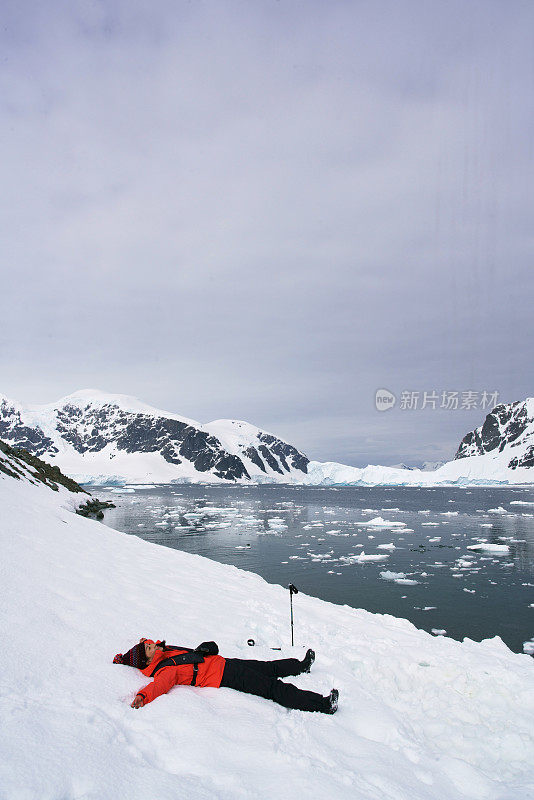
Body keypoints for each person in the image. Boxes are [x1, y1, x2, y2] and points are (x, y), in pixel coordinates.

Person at [113, 638, 339, 714]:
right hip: (226, 675)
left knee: (267, 667)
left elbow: (146, 642)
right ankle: (323, 705)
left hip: (224, 663)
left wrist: (123, 657)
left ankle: (300, 666)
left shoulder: (163, 653)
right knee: (272, 688)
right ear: (149, 661)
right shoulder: (165, 671)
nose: (153, 645)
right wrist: (143, 696)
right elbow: (159, 686)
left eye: (150, 645)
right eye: (150, 649)